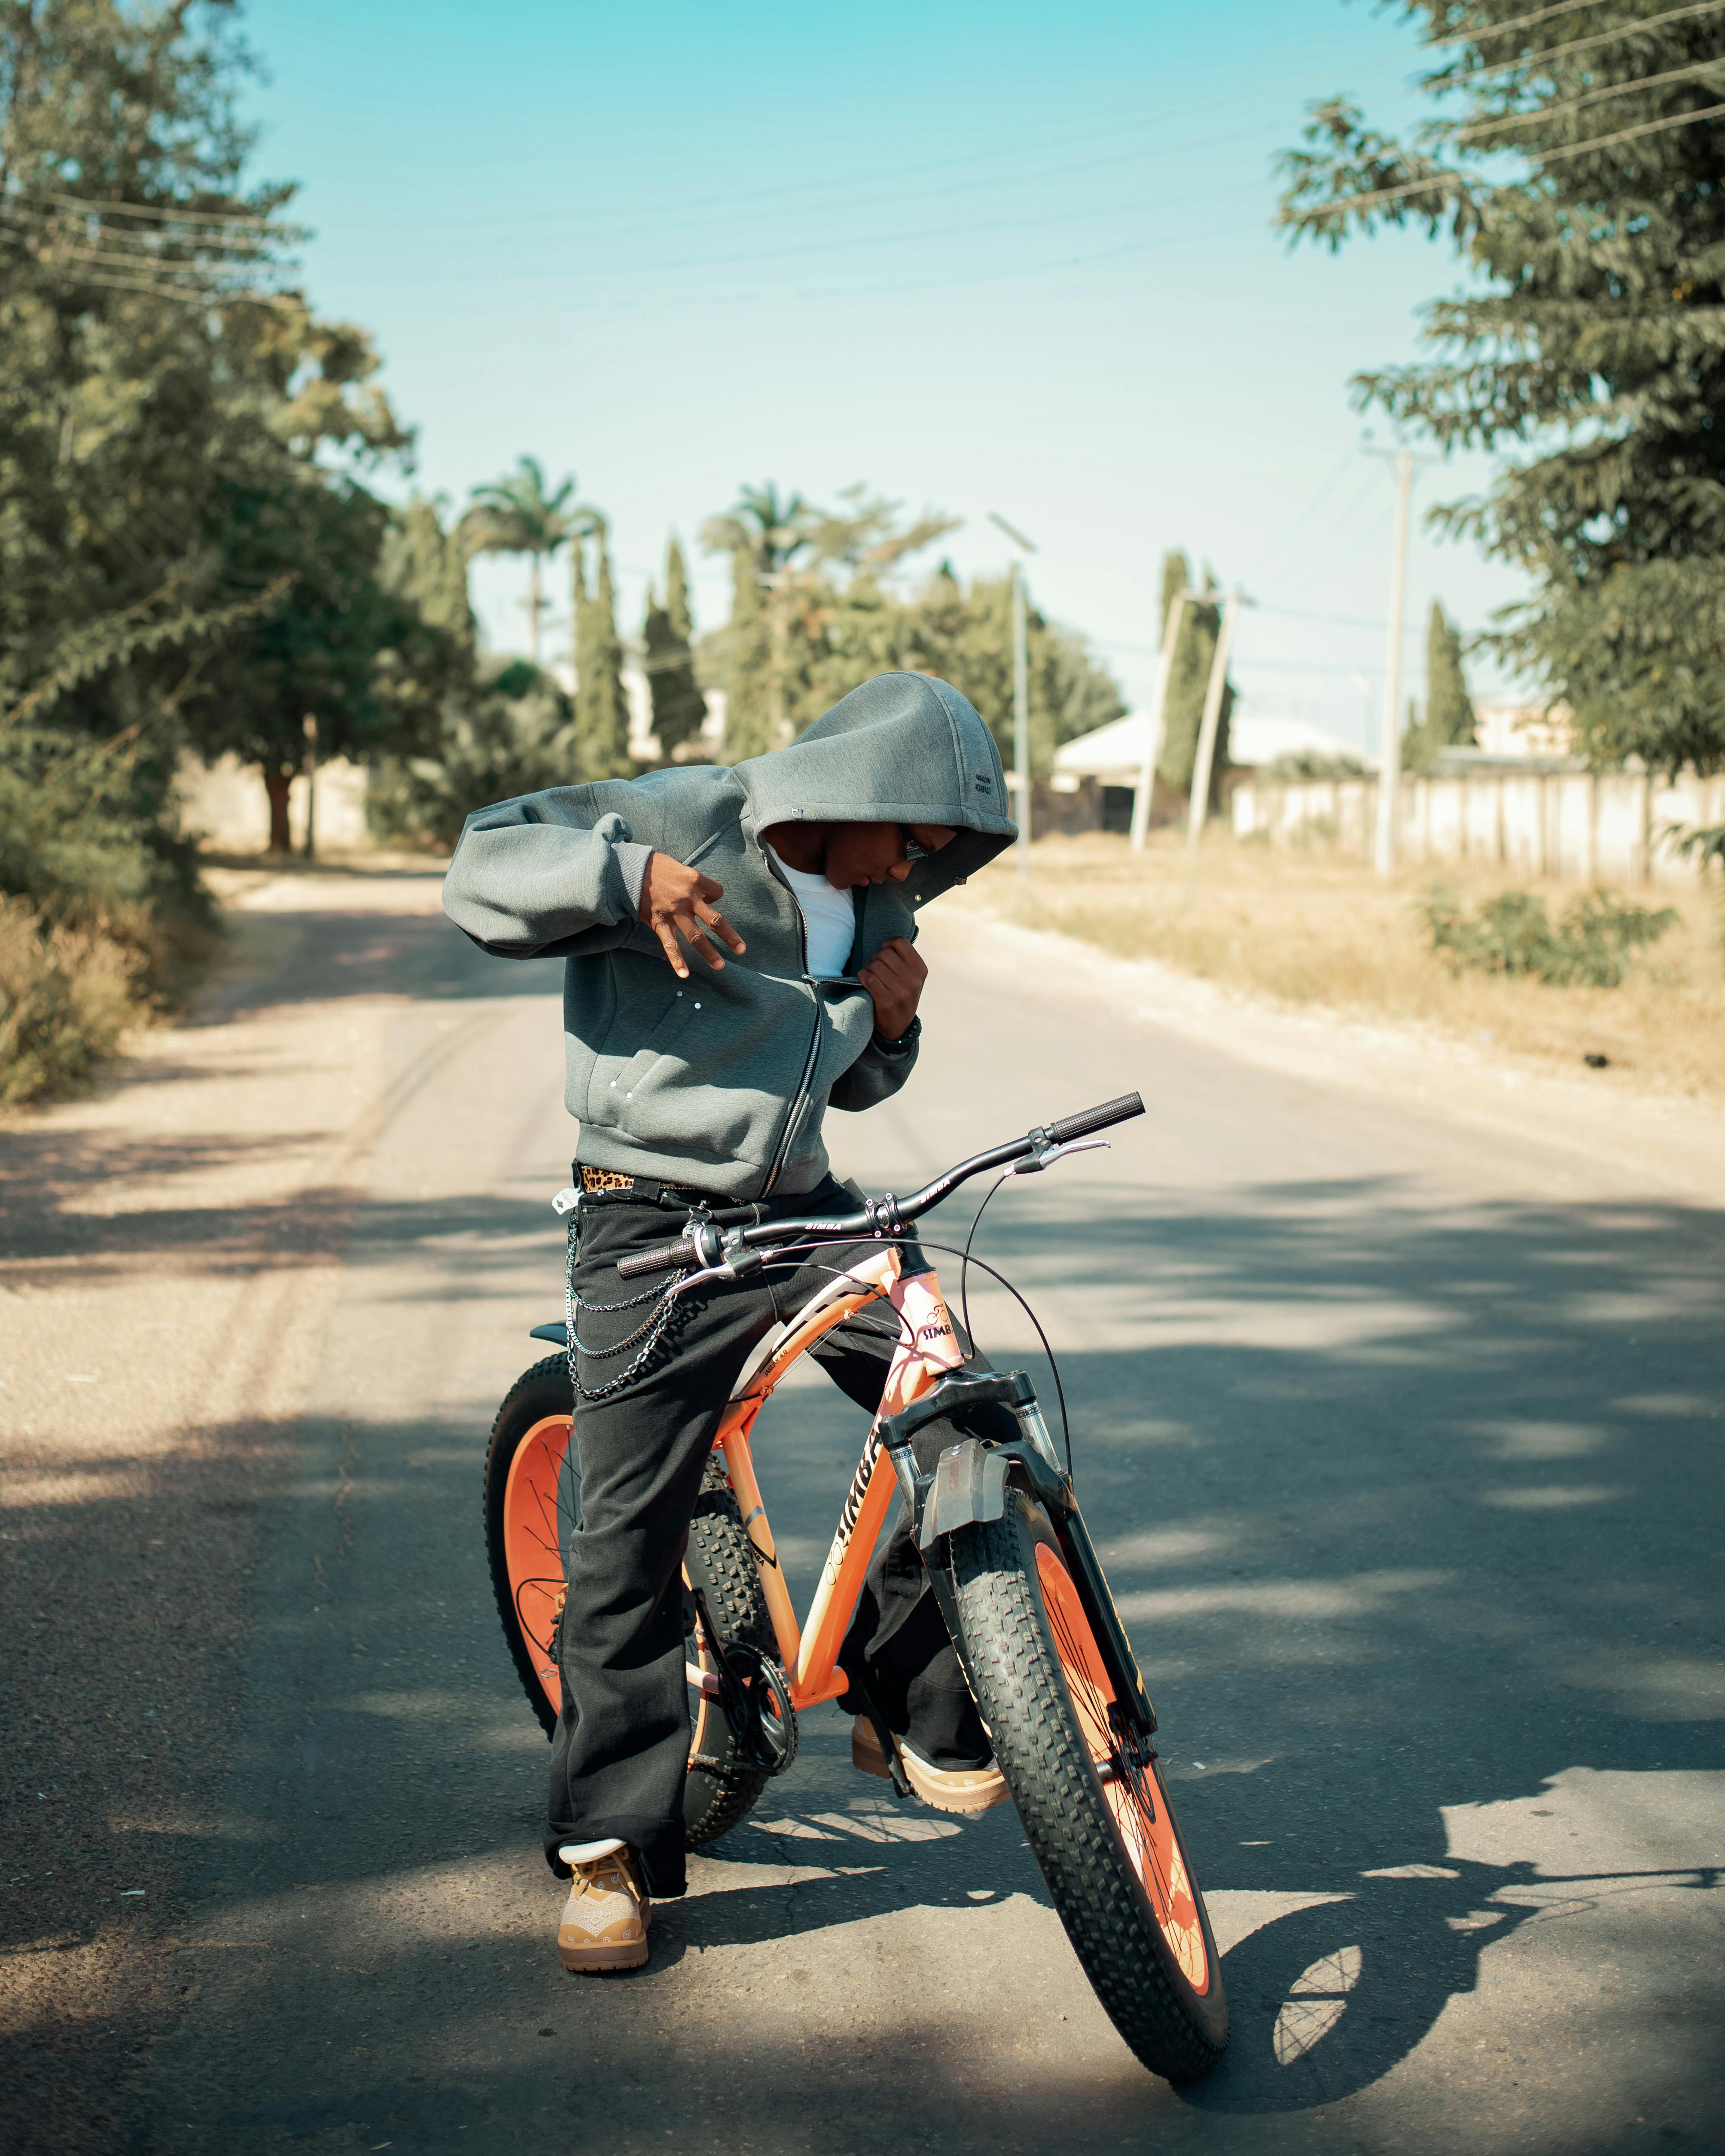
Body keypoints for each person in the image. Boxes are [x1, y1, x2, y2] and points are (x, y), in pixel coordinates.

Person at [442, 670, 1017, 1972]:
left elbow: (841, 1077)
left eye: (935, 850)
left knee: (957, 1398)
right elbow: (480, 867)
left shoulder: (870, 902)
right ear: (858, 786)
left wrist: (896, 1025)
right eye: (914, 833)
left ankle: (908, 1690)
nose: (917, 867)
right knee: (627, 1526)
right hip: (648, 1219)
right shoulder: (683, 815)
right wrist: (623, 879)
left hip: (803, 1206)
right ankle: (607, 1849)